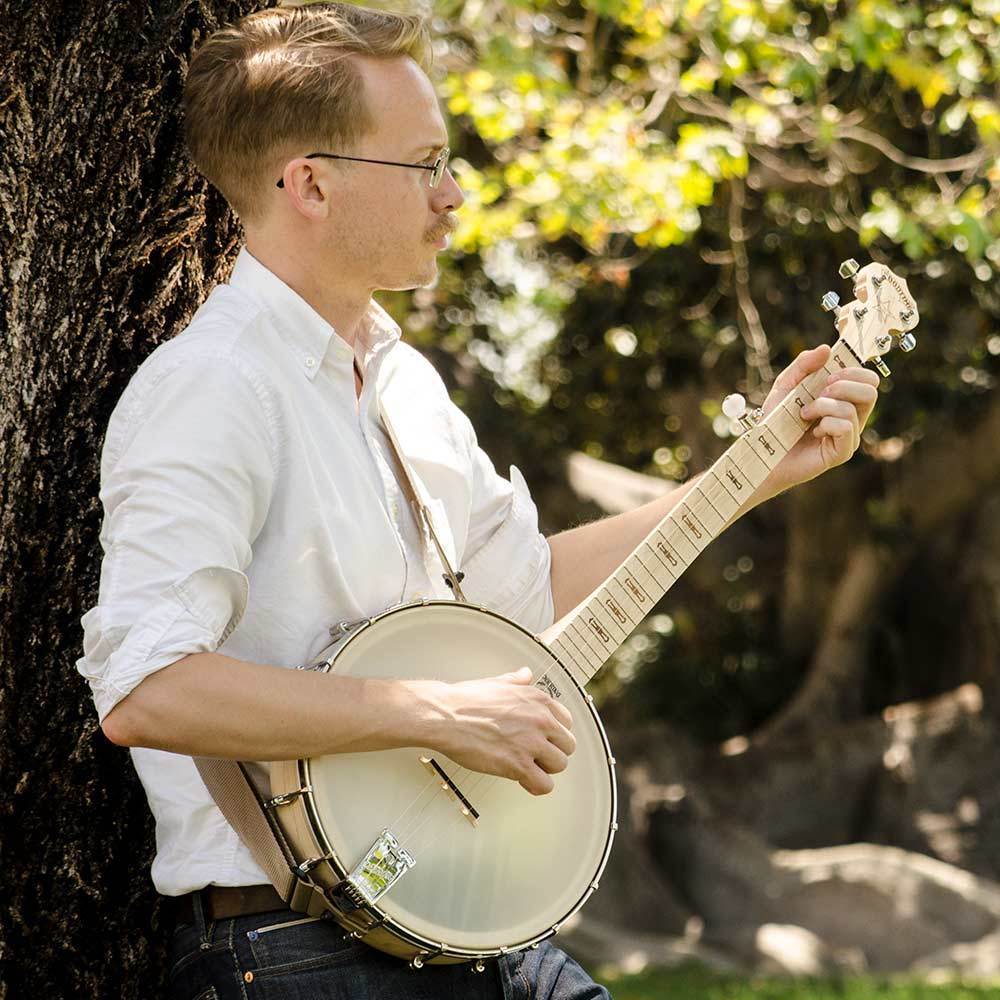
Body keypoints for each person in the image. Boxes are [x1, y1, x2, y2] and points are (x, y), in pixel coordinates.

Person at [75, 3, 880, 998]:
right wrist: (439, 713)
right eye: (424, 165)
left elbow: (528, 586)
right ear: (309, 183)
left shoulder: (403, 381)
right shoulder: (213, 388)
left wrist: (751, 473)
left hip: (466, 919)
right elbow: (148, 689)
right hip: (293, 947)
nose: (454, 194)